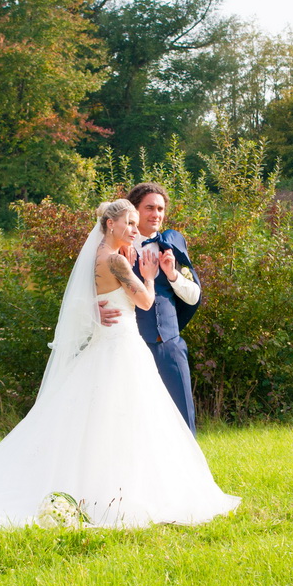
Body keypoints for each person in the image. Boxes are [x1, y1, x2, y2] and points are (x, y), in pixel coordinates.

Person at [0, 199, 239, 528]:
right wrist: (147, 275)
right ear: (110, 224)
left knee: (108, 420)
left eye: (135, 222)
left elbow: (84, 301)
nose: (134, 229)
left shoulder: (102, 254)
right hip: (120, 348)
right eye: (129, 222)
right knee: (128, 417)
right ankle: (118, 492)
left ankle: (108, 485)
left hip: (110, 345)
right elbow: (145, 302)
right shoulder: (114, 259)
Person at [100, 183, 201, 434]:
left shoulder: (172, 244)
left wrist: (172, 274)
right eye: (149, 208)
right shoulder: (114, 250)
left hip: (170, 344)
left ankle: (188, 472)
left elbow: (194, 296)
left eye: (160, 208)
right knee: (135, 421)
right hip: (132, 346)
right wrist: (94, 310)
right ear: (134, 211)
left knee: (183, 416)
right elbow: (91, 288)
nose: (156, 214)